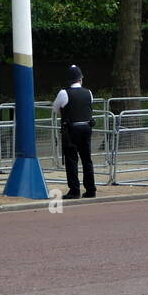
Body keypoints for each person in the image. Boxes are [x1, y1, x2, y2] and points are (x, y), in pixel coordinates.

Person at [53, 64, 96, 199]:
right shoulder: (88, 92)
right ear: (80, 79)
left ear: (69, 80)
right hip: (86, 128)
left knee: (71, 160)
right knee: (87, 159)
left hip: (71, 130)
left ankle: (74, 190)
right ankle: (90, 189)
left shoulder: (63, 93)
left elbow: (55, 109)